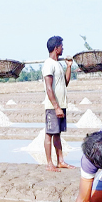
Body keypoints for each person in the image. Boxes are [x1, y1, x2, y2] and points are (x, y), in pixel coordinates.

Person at [42, 36, 75, 172]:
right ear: (56, 48)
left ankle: (60, 161)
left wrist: (68, 67)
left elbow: (65, 84)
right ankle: (50, 163)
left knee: (58, 134)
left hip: (61, 105)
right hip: (52, 107)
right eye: (61, 46)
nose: (63, 48)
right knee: (49, 134)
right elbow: (49, 88)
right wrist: (56, 107)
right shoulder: (48, 64)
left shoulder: (58, 65)